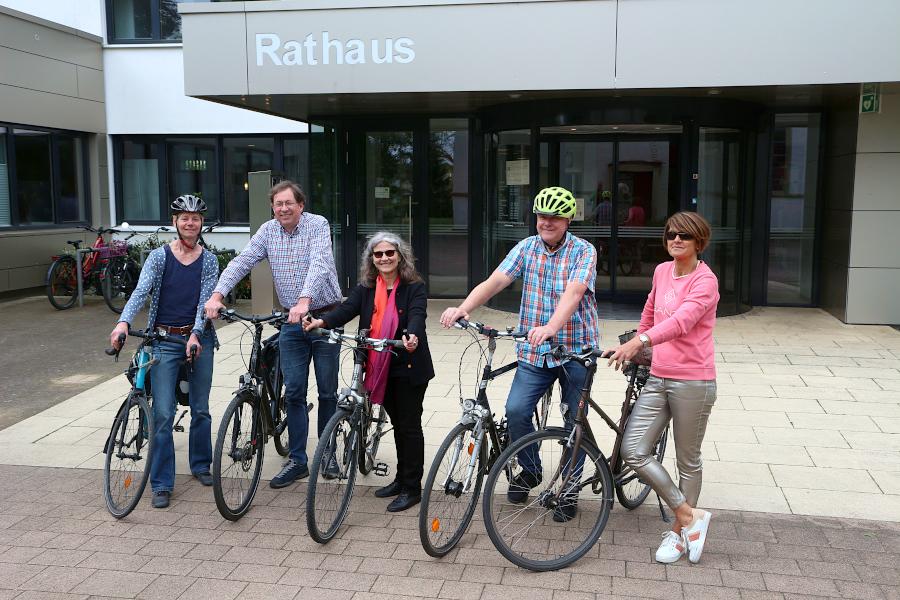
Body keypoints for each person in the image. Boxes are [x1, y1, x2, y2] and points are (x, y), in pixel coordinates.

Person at [440, 186, 599, 522]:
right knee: (516, 410)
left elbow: (574, 293)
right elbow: (495, 281)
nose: (547, 222)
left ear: (568, 219)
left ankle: (569, 489)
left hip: (575, 350)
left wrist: (552, 326)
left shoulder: (583, 251)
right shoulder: (526, 247)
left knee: (574, 422)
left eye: (555, 217)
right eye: (542, 216)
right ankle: (529, 470)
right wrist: (463, 308)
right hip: (534, 351)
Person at [204, 180, 342, 489]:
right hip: (292, 321)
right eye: (278, 204)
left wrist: (305, 300)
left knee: (327, 391)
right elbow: (243, 260)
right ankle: (297, 460)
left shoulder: (317, 225)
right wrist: (217, 294)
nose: (283, 209)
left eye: (288, 203)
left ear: (300, 205)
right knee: (293, 392)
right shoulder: (268, 231)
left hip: (325, 316)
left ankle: (328, 451)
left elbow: (319, 264)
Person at [605, 211, 719, 565]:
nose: (676, 240)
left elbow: (683, 321)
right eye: (671, 234)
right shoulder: (661, 271)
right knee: (633, 450)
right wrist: (635, 346)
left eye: (685, 235)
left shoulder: (705, 281)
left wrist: (640, 341)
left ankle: (678, 534)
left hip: (693, 380)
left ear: (698, 241)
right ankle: (689, 516)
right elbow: (652, 310)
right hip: (658, 375)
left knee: (688, 460)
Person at [304, 231, 434, 512]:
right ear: (371, 259)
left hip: (407, 365)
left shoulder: (414, 287)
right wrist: (322, 322)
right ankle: (401, 479)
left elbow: (417, 314)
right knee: (397, 424)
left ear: (400, 256)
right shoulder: (366, 288)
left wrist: (412, 335)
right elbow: (346, 310)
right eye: (379, 254)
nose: (384, 258)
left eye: (390, 253)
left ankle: (412, 487)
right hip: (378, 362)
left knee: (408, 426)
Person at [109, 194, 219, 509]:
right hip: (164, 341)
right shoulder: (159, 257)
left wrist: (197, 333)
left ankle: (200, 465)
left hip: (199, 340)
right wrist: (123, 323)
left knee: (200, 408)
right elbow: (141, 292)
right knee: (163, 414)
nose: (190, 223)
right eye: (184, 218)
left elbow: (203, 303)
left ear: (201, 224)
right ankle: (161, 483)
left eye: (195, 218)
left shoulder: (209, 260)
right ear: (175, 222)